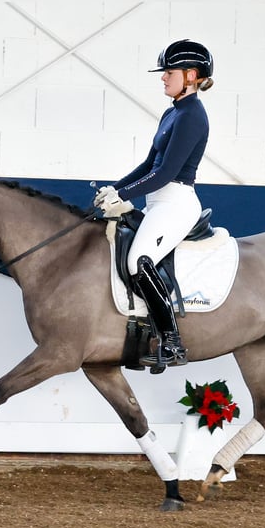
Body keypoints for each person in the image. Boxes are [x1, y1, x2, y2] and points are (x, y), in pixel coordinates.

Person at [94, 39, 214, 369]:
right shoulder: (172, 112)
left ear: (191, 75)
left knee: (138, 260)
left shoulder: (193, 116)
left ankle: (172, 343)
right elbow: (149, 164)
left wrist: (124, 196)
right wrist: (113, 188)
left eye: (169, 72)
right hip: (159, 201)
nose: (163, 78)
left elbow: (165, 174)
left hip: (176, 203)